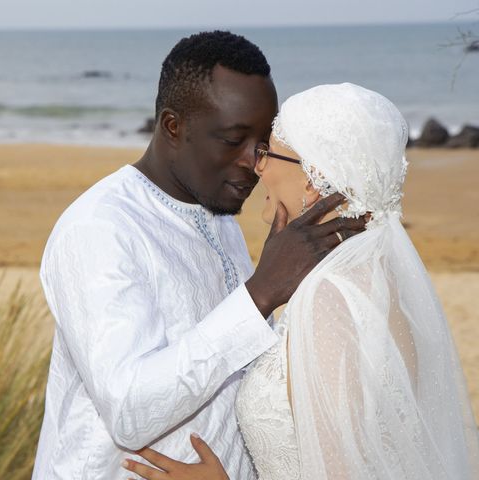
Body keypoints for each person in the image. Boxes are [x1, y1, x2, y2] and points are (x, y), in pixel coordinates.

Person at [31, 32, 367, 479]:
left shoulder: (219, 216)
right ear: (174, 127)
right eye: (233, 140)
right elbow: (128, 412)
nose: (256, 161)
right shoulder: (100, 228)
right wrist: (261, 293)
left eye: (265, 140)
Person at [123, 83, 479, 479]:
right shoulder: (381, 281)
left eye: (269, 153)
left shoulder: (333, 297)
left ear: (313, 178)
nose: (258, 167)